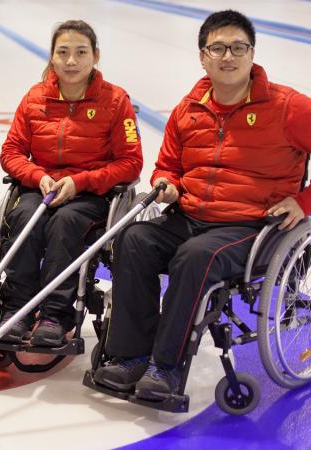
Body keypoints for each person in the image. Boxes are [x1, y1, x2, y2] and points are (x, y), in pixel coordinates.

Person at [93, 10, 311, 400]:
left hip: (252, 226)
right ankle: (130, 357)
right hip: (190, 215)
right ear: (203, 56)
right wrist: (169, 183)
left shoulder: (288, 107)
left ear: (252, 53)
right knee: (133, 239)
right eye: (218, 48)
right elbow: (169, 164)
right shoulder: (189, 108)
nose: (228, 56)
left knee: (196, 257)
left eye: (238, 48)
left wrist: (305, 201)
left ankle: (167, 368)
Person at [0, 20, 143, 346]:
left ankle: (55, 314)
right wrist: (39, 176)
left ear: (96, 56)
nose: (71, 61)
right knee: (23, 218)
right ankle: (17, 309)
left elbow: (131, 162)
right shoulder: (35, 98)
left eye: (81, 52)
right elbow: (11, 152)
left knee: (65, 223)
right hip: (43, 187)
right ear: (51, 57)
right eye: (63, 53)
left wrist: (80, 182)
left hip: (90, 194)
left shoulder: (115, 100)